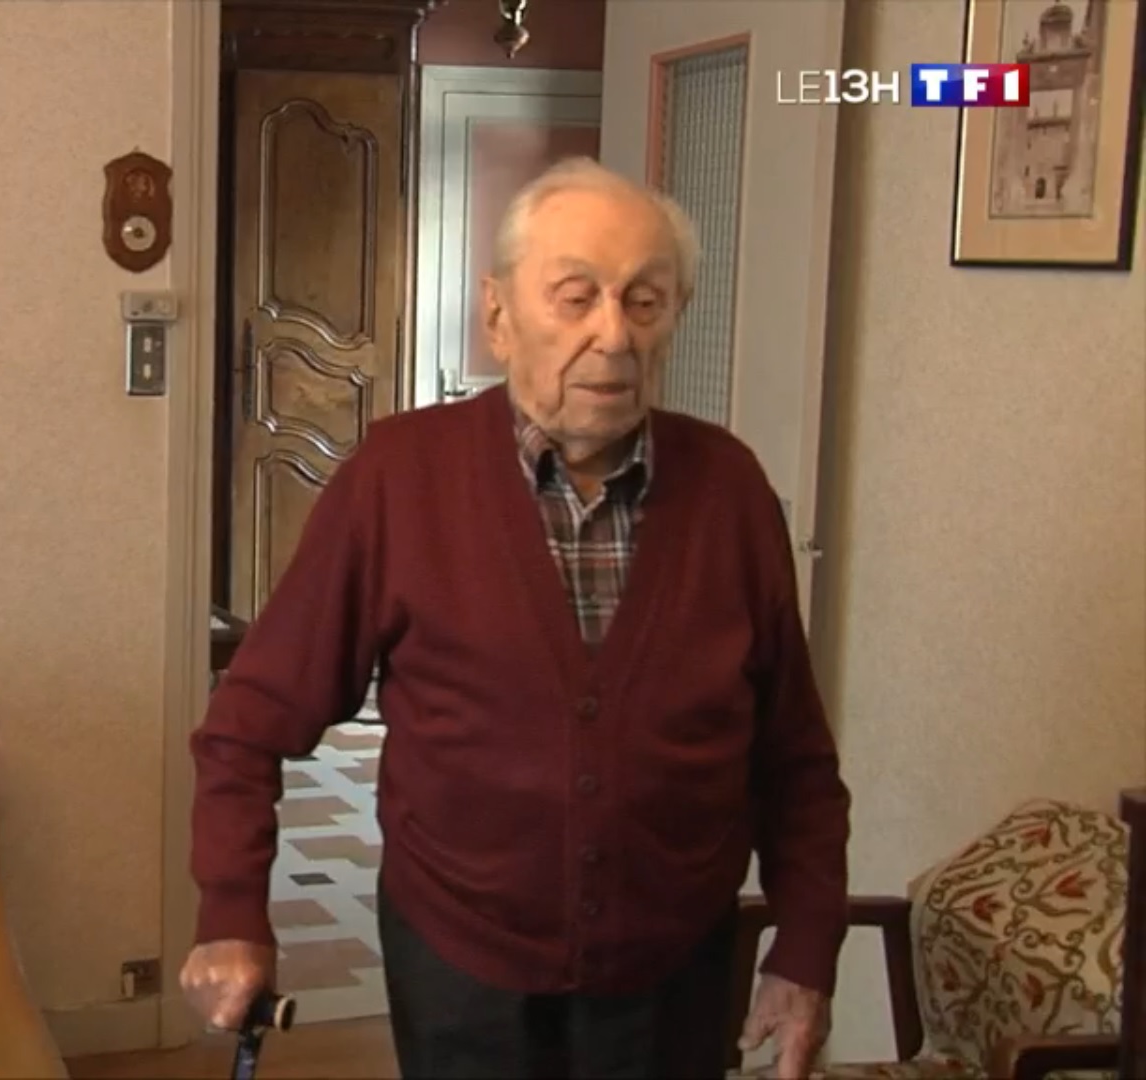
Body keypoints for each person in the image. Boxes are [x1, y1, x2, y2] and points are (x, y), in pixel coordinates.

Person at [179, 157, 851, 1080]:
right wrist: (231, 915)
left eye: (645, 302)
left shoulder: (731, 490)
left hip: (677, 968)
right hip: (462, 962)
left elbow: (795, 758)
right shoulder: (398, 479)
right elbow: (248, 725)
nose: (613, 335)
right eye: (575, 298)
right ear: (498, 315)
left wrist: (805, 949)